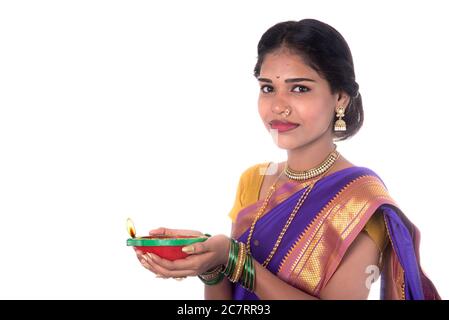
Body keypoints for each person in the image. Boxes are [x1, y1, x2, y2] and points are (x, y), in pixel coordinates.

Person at [135, 18, 440, 300]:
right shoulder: (254, 181)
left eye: (299, 88)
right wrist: (211, 267)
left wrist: (233, 259)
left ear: (340, 98)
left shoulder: (361, 201)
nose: (278, 106)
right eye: (268, 87)